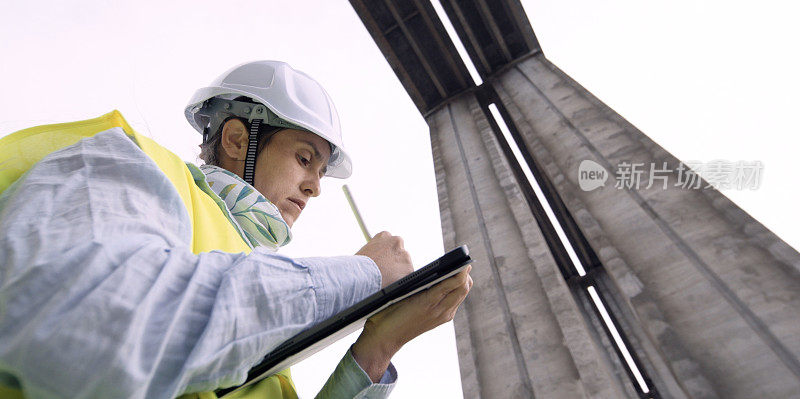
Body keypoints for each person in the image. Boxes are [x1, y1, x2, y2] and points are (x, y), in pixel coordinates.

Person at [0, 60, 472, 399]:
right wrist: (363, 275)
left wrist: (377, 347)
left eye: (321, 173)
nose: (313, 187)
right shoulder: (132, 164)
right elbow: (94, 334)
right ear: (237, 139)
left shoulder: (252, 287)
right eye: (304, 158)